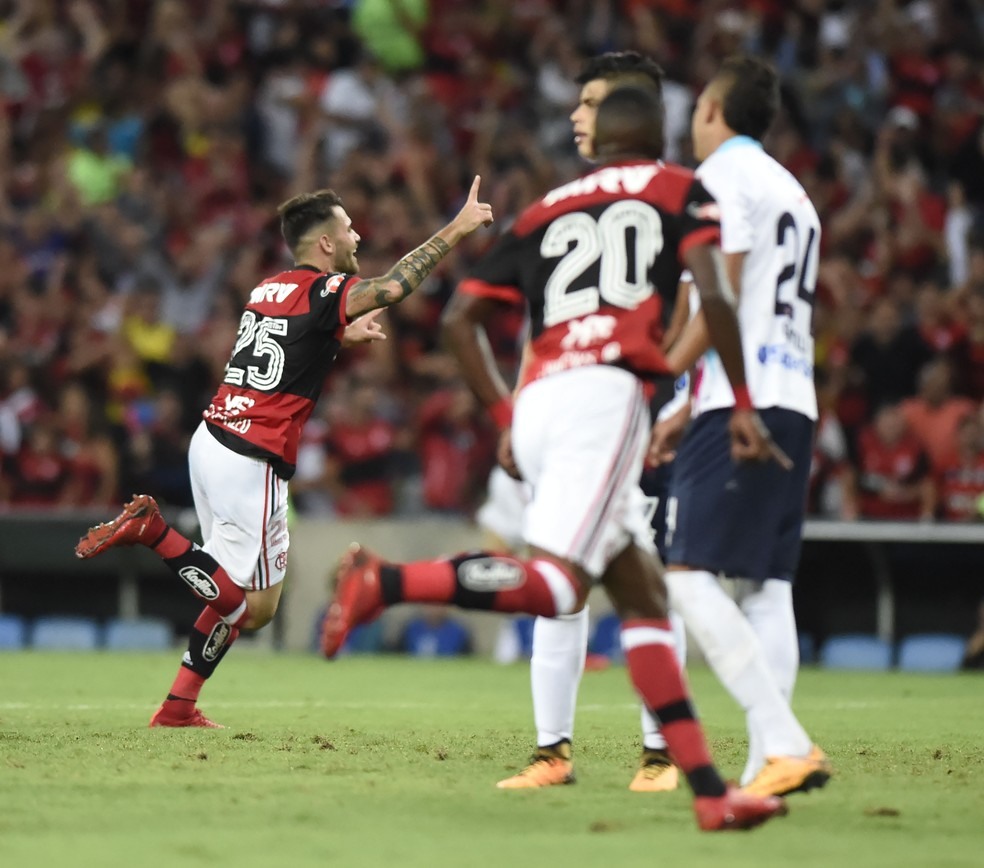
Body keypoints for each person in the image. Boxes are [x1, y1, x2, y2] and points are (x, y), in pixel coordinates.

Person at [321, 84, 788, 831]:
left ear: (599, 140)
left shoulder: (548, 207)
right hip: (604, 400)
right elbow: (715, 296)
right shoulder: (680, 190)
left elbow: (459, 319)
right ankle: (389, 580)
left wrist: (506, 413)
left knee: (641, 595)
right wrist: (737, 400)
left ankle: (709, 793)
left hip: (539, 396)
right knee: (557, 586)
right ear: (656, 134)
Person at [74, 179, 494, 727]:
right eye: (348, 228)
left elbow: (282, 352)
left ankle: (178, 705)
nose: (357, 234)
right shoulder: (326, 291)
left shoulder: (269, 289)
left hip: (215, 440)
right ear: (324, 244)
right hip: (253, 455)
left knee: (258, 605)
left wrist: (342, 337)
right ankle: (152, 529)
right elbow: (392, 287)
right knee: (242, 607)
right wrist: (457, 229)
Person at [470, 52, 695, 794]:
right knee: (565, 581)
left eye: (593, 103)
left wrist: (680, 395)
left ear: (636, 113)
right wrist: (524, 405)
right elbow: (548, 326)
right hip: (571, 410)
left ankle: (661, 754)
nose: (578, 115)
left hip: (646, 411)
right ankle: (550, 751)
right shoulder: (569, 204)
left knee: (652, 578)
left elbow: (698, 305)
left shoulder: (683, 198)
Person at [649, 55, 832, 796]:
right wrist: (690, 403)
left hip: (742, 400)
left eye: (697, 111)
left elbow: (717, 292)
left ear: (715, 112)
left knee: (686, 571)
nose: (691, 124)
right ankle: (767, 765)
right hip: (792, 394)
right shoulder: (796, 194)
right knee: (765, 586)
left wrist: (664, 380)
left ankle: (785, 742)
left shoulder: (722, 178)